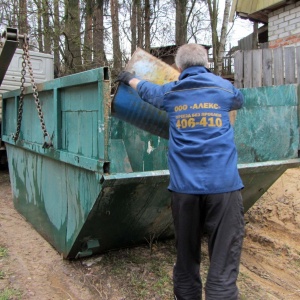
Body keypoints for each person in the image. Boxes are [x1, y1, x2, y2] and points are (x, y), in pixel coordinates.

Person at [116, 43, 245, 300]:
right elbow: (239, 100)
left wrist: (129, 77)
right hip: (224, 189)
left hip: (185, 191)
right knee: (223, 262)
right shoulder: (224, 87)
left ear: (178, 67)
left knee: (186, 259)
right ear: (206, 63)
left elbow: (146, 90)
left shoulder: (171, 92)